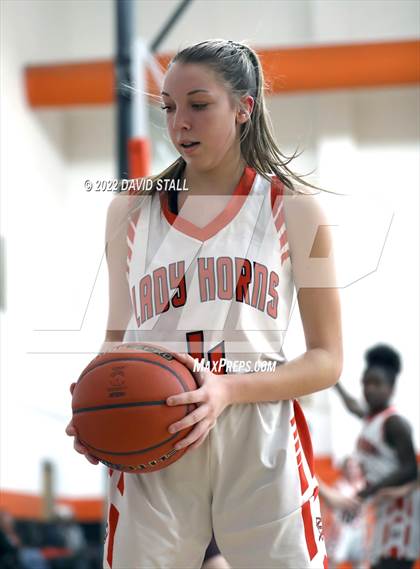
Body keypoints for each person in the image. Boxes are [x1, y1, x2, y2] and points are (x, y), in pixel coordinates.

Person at [66, 38, 343, 568]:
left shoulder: (297, 210)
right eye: (169, 108)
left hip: (258, 435)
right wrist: (93, 403)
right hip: (155, 434)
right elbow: (116, 338)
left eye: (198, 104)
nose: (179, 124)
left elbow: (328, 359)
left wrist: (226, 389)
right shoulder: (129, 209)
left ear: (244, 106)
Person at [335, 344, 418, 569]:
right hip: (381, 509)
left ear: (391, 389)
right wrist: (334, 381)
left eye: (376, 383)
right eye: (365, 382)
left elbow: (410, 469)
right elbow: (354, 407)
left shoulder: (395, 423)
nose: (369, 389)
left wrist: (366, 492)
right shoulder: (371, 418)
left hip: (400, 511)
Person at [319, 457, 367, 569]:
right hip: (342, 529)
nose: (352, 470)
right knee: (334, 560)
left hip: (359, 529)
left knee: (360, 561)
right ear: (344, 469)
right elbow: (326, 508)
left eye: (355, 467)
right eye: (349, 467)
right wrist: (323, 529)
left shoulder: (364, 485)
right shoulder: (339, 485)